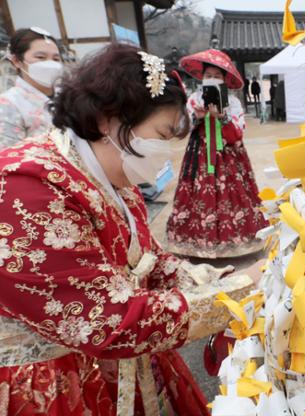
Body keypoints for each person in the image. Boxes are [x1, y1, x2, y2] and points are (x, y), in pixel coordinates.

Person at [0, 43, 259, 415]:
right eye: (162, 134)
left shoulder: (110, 175)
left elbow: (145, 263)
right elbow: (102, 319)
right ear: (110, 119)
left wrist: (209, 278)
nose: (166, 152)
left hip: (115, 360)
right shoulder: (27, 187)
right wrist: (235, 292)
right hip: (51, 377)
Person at [166, 49, 268, 258]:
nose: (212, 79)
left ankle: (235, 241)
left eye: (217, 76)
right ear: (202, 78)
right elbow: (181, 128)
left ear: (224, 79)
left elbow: (237, 135)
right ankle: (197, 242)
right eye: (208, 76)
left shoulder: (234, 103)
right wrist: (198, 116)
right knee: (198, 192)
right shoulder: (194, 98)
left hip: (229, 155)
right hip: (200, 153)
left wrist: (222, 116)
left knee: (234, 194)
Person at [0, 27, 63, 149]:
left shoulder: (69, 95)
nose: (50, 64)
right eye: (40, 57)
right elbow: (8, 158)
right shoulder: (8, 104)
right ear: (17, 61)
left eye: (56, 59)